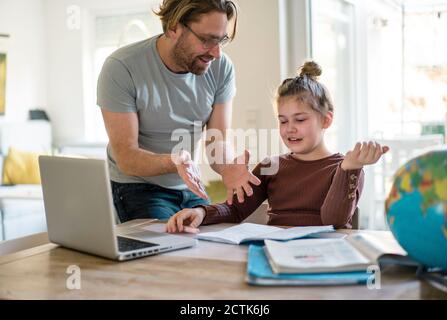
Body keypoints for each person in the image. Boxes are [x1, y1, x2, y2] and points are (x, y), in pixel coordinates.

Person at [166, 61, 389, 233]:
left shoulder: (346, 168)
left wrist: (348, 169)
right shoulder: (270, 166)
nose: (289, 128)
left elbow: (334, 221)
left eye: (300, 120)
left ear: (326, 120)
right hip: (276, 253)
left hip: (325, 257)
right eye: (283, 121)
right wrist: (200, 212)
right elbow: (235, 210)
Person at [97, 0, 261, 223]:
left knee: (209, 239)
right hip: (136, 186)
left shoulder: (222, 68)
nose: (216, 53)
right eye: (206, 40)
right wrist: (174, 161)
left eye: (221, 40)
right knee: (171, 245)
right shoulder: (122, 67)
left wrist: (228, 166)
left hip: (190, 186)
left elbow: (217, 141)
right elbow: (126, 157)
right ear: (173, 27)